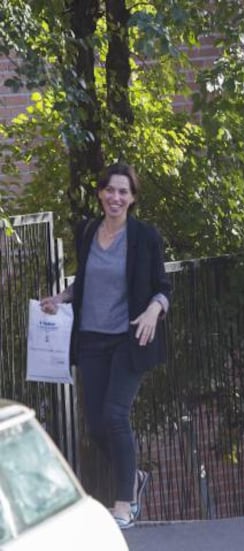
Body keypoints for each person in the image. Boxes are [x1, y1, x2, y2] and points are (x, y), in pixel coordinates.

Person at [40, 162, 171, 528]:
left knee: (115, 416)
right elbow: (84, 283)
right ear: (100, 193)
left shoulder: (145, 237)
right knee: (96, 426)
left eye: (123, 192)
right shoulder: (86, 232)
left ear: (132, 198)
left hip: (129, 340)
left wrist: (152, 311)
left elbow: (164, 287)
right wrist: (60, 298)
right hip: (91, 340)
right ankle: (136, 478)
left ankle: (123, 505)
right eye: (110, 190)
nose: (116, 197)